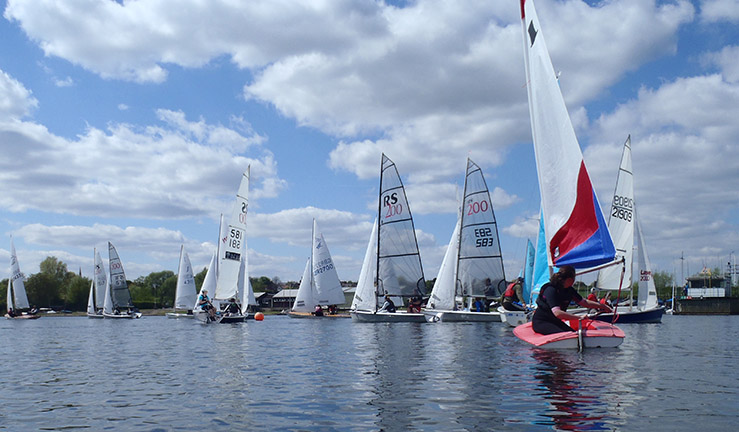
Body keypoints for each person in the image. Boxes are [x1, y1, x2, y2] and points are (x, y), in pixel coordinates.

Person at [532, 266, 612, 335]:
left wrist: (602, 306)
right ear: (570, 279)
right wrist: (579, 317)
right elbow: (557, 313)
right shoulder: (550, 290)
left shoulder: (569, 290)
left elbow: (584, 302)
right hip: (542, 321)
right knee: (566, 336)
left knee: (573, 333)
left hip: (555, 321)